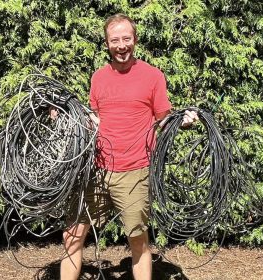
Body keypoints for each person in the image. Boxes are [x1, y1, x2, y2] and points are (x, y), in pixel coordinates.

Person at [56, 14, 198, 280]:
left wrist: (184, 122)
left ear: (134, 40)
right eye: (115, 40)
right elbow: (95, 122)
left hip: (134, 171)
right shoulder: (98, 77)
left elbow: (163, 121)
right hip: (95, 170)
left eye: (126, 39)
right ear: (107, 43)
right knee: (72, 236)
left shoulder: (153, 76)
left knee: (138, 240)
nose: (121, 45)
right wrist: (67, 116)